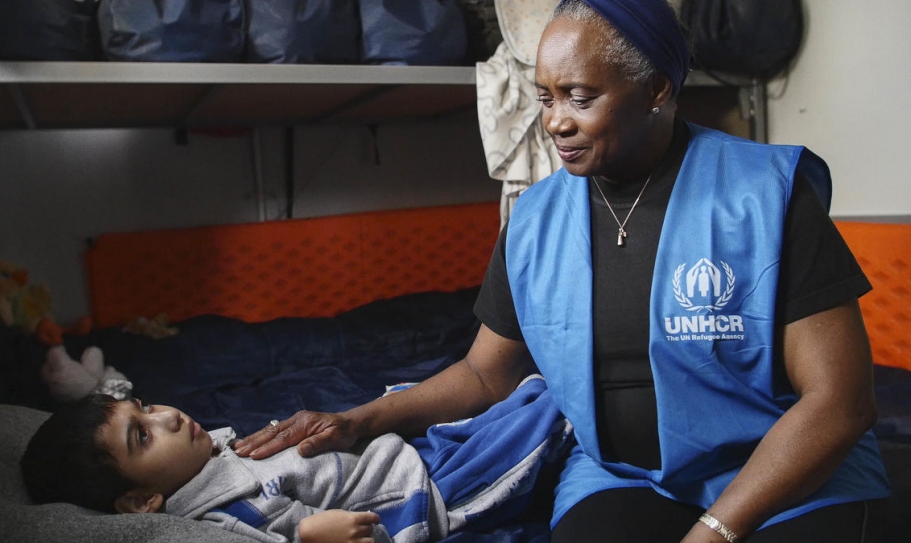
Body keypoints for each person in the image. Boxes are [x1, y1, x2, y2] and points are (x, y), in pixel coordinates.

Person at [232, 1, 892, 542]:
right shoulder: (536, 217)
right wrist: (363, 418)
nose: (555, 122)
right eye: (545, 96)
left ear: (657, 89)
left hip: (779, 470)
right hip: (625, 475)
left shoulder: (765, 194)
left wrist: (717, 529)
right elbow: (487, 372)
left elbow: (841, 400)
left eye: (580, 96)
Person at [20, 376, 569, 543]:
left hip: (411, 454)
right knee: (552, 415)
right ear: (141, 500)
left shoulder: (210, 454)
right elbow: (283, 535)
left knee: (525, 396)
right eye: (142, 436)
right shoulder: (221, 511)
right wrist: (313, 536)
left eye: (146, 407)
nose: (165, 417)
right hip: (431, 490)